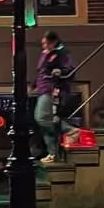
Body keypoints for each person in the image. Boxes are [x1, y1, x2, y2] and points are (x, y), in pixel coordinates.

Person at [34, 31, 75, 166]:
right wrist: (34, 85)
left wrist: (60, 72)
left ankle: (70, 130)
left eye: (46, 43)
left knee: (41, 118)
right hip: (43, 89)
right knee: (47, 122)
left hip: (51, 89)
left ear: (53, 42)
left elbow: (69, 69)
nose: (44, 46)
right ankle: (53, 153)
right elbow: (41, 71)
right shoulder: (47, 53)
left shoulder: (61, 53)